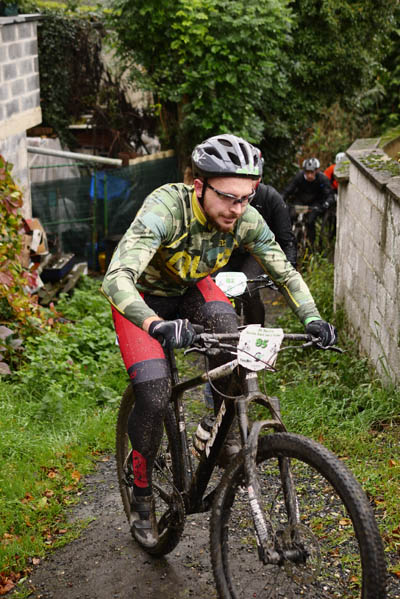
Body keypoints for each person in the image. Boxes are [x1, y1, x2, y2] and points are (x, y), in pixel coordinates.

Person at [101, 134, 337, 549]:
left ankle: (222, 433)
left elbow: (284, 272)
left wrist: (313, 317)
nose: (237, 209)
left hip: (191, 287)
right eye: (228, 197)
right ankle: (140, 489)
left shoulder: (245, 217)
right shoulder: (166, 209)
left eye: (246, 198)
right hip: (140, 299)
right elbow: (116, 277)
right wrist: (155, 324)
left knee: (232, 338)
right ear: (199, 186)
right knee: (154, 396)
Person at [215, 180, 297, 326]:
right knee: (219, 291)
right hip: (224, 250)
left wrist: (287, 273)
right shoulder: (221, 191)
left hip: (253, 253)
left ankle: (256, 329)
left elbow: (286, 239)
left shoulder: (270, 197)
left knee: (249, 289)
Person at [282, 157, 335, 245]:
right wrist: (282, 198)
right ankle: (287, 240)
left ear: (316, 171)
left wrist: (326, 203)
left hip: (315, 203)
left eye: (312, 172)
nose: (309, 175)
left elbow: (329, 194)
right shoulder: (299, 177)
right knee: (291, 216)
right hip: (300, 200)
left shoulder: (322, 179)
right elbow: (288, 189)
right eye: (307, 172)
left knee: (310, 221)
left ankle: (311, 244)